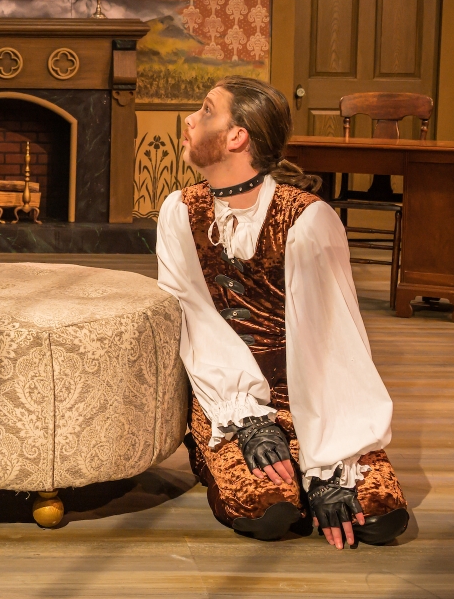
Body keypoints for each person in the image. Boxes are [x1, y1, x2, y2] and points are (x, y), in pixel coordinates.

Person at [156, 76, 410, 548]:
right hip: (226, 396)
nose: (190, 120)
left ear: (237, 137)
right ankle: (257, 461)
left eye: (206, 110)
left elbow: (335, 341)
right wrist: (248, 418)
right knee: (270, 515)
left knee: (380, 518)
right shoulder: (179, 210)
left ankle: (314, 467)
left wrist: (331, 461)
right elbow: (193, 318)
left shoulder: (308, 219)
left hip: (311, 390)